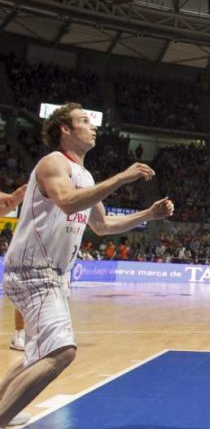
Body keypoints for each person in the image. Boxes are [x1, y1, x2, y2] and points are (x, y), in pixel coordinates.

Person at [0, 102, 174, 427]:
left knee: (35, 356)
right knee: (61, 353)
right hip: (34, 271)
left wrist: (147, 215)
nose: (92, 126)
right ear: (65, 130)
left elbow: (104, 226)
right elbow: (67, 203)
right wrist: (123, 177)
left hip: (51, 275)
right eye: (84, 121)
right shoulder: (53, 162)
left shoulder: (85, 175)